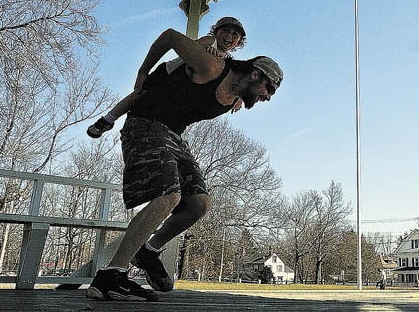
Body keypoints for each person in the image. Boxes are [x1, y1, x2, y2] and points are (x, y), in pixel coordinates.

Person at [86, 28, 282, 302]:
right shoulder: (213, 66)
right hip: (145, 122)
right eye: (269, 89)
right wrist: (143, 72)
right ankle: (110, 276)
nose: (268, 97)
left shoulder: (236, 95)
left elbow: (236, 93)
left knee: (199, 203)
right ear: (255, 75)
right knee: (169, 195)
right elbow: (169, 36)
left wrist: (241, 98)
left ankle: (148, 251)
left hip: (174, 135)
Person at [86, 16, 247, 138]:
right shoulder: (210, 41)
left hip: (181, 88)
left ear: (239, 41)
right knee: (139, 93)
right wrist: (206, 49)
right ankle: (108, 119)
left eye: (235, 34)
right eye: (225, 31)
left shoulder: (229, 62)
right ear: (216, 32)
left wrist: (239, 98)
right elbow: (193, 47)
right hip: (170, 73)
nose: (229, 36)